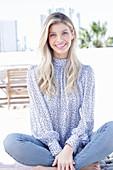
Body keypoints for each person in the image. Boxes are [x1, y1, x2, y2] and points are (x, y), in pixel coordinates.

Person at [3, 12, 113, 170]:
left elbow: (87, 119)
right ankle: (81, 166)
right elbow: (41, 122)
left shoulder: (86, 73)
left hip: (78, 147)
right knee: (11, 142)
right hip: (46, 148)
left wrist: (69, 148)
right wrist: (57, 152)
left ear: (72, 34)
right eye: (52, 35)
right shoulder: (35, 73)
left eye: (64, 33)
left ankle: (51, 168)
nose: (59, 39)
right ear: (47, 39)